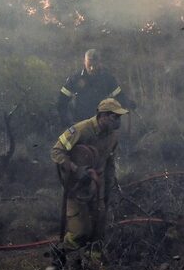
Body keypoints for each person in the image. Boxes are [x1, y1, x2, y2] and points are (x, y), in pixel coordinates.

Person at [50, 97, 128, 252]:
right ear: (103, 116)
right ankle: (64, 258)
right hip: (77, 187)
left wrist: (109, 188)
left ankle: (94, 266)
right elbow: (56, 151)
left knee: (98, 231)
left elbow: (109, 163)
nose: (118, 121)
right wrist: (75, 169)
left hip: (98, 187)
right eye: (115, 117)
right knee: (80, 232)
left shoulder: (112, 136)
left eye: (119, 117)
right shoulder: (81, 129)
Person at [57, 49, 130, 127]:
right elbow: (62, 101)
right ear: (84, 62)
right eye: (89, 65)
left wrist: (127, 103)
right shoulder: (75, 79)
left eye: (95, 65)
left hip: (102, 123)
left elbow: (119, 97)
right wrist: (65, 119)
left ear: (99, 63)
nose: (92, 68)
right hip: (80, 123)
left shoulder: (108, 79)